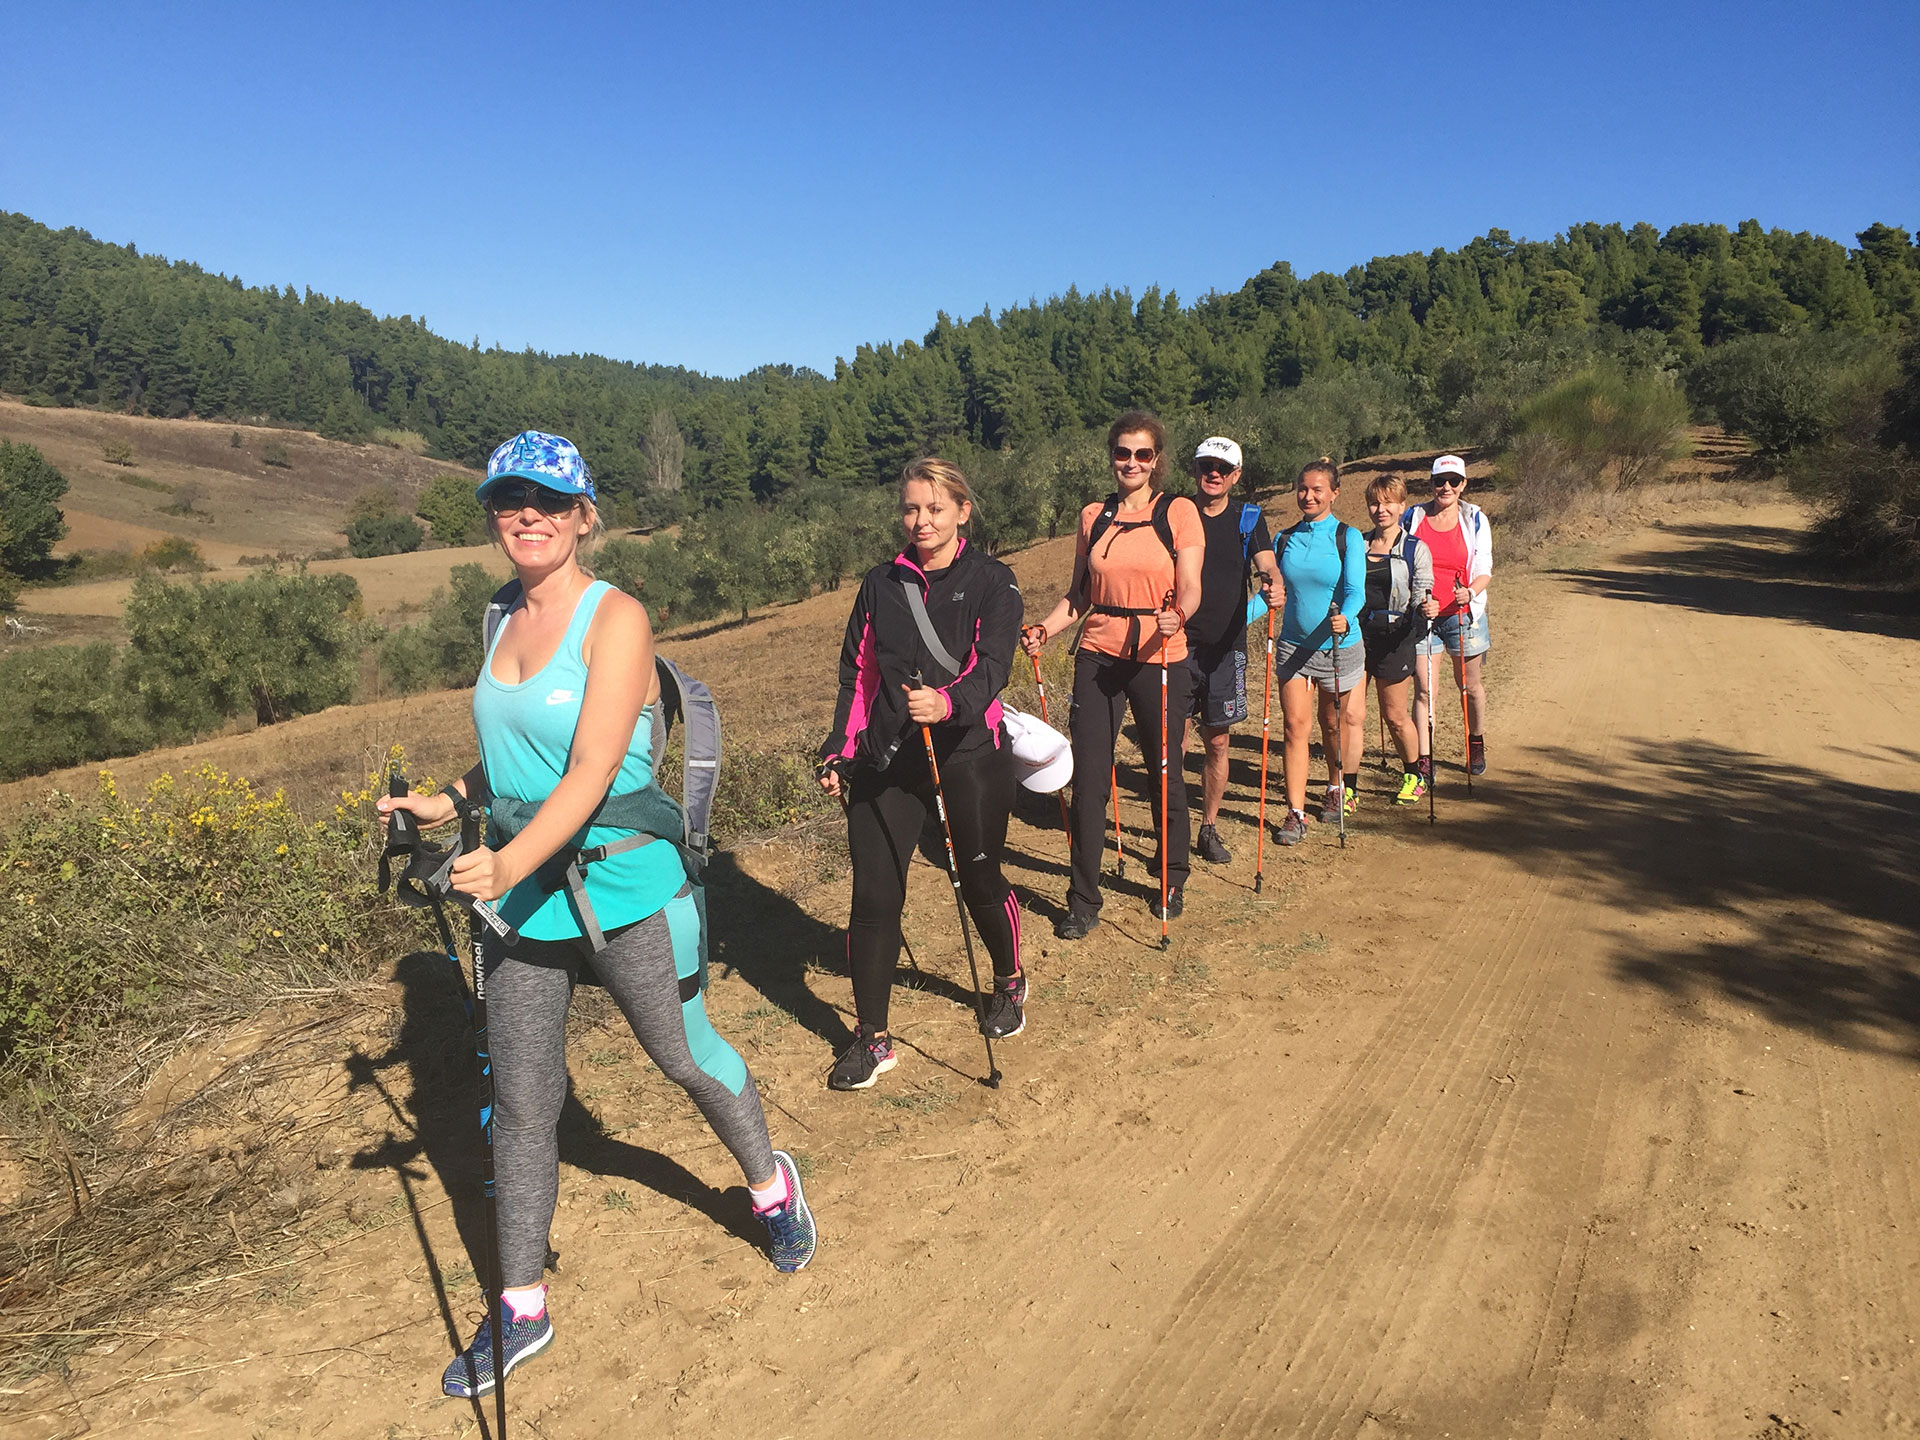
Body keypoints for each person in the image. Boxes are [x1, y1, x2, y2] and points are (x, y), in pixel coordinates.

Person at [378, 431, 816, 1401]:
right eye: (507, 499)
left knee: (683, 1056)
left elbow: (588, 772)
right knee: (526, 1106)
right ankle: (523, 1305)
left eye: (546, 499)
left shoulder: (616, 619)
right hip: (526, 898)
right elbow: (513, 759)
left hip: (623, 886)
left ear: (582, 516)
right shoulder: (498, 617)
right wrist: (449, 804)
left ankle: (772, 1186)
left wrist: (502, 863)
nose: (524, 514)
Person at [816, 458, 1025, 1091]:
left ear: (963, 511)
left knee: (979, 876)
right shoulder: (880, 583)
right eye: (911, 509)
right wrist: (840, 748)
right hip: (888, 756)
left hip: (967, 749)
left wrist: (948, 703)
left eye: (935, 509)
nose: (921, 521)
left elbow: (992, 666)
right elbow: (859, 674)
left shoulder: (994, 581)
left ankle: (1010, 980)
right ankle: (872, 1038)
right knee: (874, 896)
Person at [1022, 412, 1203, 937]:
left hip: (1159, 652)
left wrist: (1180, 616)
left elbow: (1189, 586)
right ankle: (1083, 898)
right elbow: (1079, 594)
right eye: (1122, 453)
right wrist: (1046, 630)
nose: (1131, 462)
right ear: (1111, 456)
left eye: (1142, 454)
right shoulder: (1092, 516)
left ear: (1157, 460)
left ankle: (1172, 875)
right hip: (1098, 653)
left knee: (1161, 769)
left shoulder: (1179, 512)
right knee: (1090, 781)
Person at [1182, 436, 1280, 864]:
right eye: (1207, 465)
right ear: (1196, 470)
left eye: (1223, 468)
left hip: (1227, 648)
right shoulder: (1175, 513)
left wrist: (1272, 581)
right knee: (1172, 743)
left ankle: (1208, 828)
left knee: (1217, 743)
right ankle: (1170, 827)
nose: (1214, 473)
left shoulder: (1248, 518)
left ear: (1236, 475)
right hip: (1175, 645)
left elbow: (1266, 561)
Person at [1271, 457, 1367, 845]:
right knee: (1295, 727)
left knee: (1334, 724)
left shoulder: (1348, 536)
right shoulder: (1284, 539)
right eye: (1303, 489)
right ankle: (1295, 813)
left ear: (1334, 493)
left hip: (1338, 644)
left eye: (1317, 490)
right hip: (1293, 646)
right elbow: (1273, 595)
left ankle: (1335, 786)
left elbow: (1355, 591)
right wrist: (1235, 621)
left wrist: (1345, 616)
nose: (1308, 496)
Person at [1406, 453, 1493, 780]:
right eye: (1440, 481)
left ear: (1463, 485)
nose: (1446, 487)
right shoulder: (1413, 517)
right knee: (1425, 691)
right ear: (1430, 484)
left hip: (1463, 615)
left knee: (1469, 687)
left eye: (1453, 481)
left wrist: (1469, 592)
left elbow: (1484, 568)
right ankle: (1425, 759)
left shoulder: (1475, 519)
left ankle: (1475, 741)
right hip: (1424, 618)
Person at [1359, 474, 1437, 805]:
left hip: (1397, 638)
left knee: (1394, 715)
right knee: (1352, 716)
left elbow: (1422, 591)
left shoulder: (1415, 549)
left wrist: (1426, 607)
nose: (1381, 509)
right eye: (1375, 502)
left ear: (1402, 507)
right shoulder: (1357, 545)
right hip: (1359, 638)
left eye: (1389, 502)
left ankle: (1414, 774)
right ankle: (1345, 785)